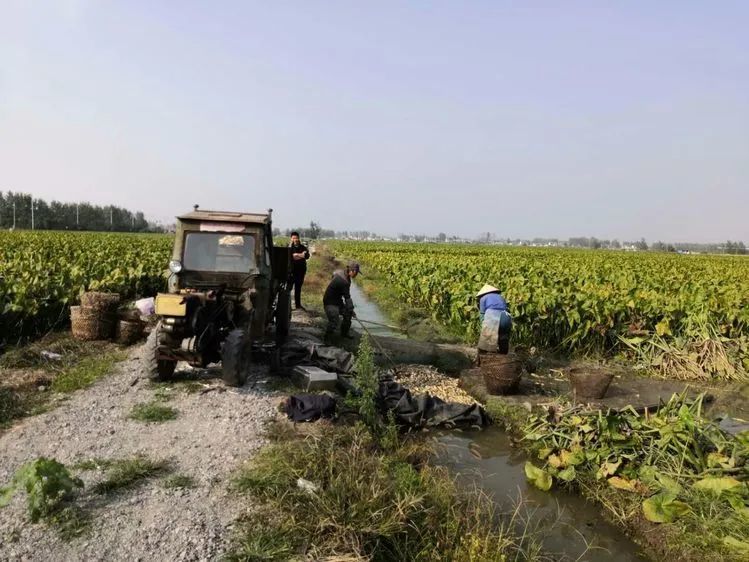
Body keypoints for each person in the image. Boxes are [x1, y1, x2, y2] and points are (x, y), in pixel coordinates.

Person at [323, 262, 361, 341]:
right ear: (352, 271)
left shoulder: (341, 273)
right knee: (334, 319)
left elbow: (334, 274)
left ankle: (344, 334)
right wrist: (351, 309)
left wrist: (350, 311)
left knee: (348, 315)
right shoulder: (344, 281)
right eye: (356, 273)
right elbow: (347, 297)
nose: (356, 275)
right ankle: (327, 339)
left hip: (337, 301)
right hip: (330, 302)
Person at [476, 284, 512, 354]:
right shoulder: (501, 297)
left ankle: (484, 357)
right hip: (505, 316)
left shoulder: (483, 299)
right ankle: (503, 355)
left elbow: (482, 314)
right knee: (503, 337)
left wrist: (483, 326)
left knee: (486, 340)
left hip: (492, 316)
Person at [289, 231, 310, 310]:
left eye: (296, 238)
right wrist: (301, 255)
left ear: (299, 238)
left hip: (301, 271)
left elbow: (307, 256)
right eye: (294, 238)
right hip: (291, 271)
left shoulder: (303, 247)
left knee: (298, 288)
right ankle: (288, 306)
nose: (295, 239)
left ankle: (298, 305)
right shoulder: (289, 248)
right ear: (291, 239)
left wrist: (297, 255)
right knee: (288, 288)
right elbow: (291, 257)